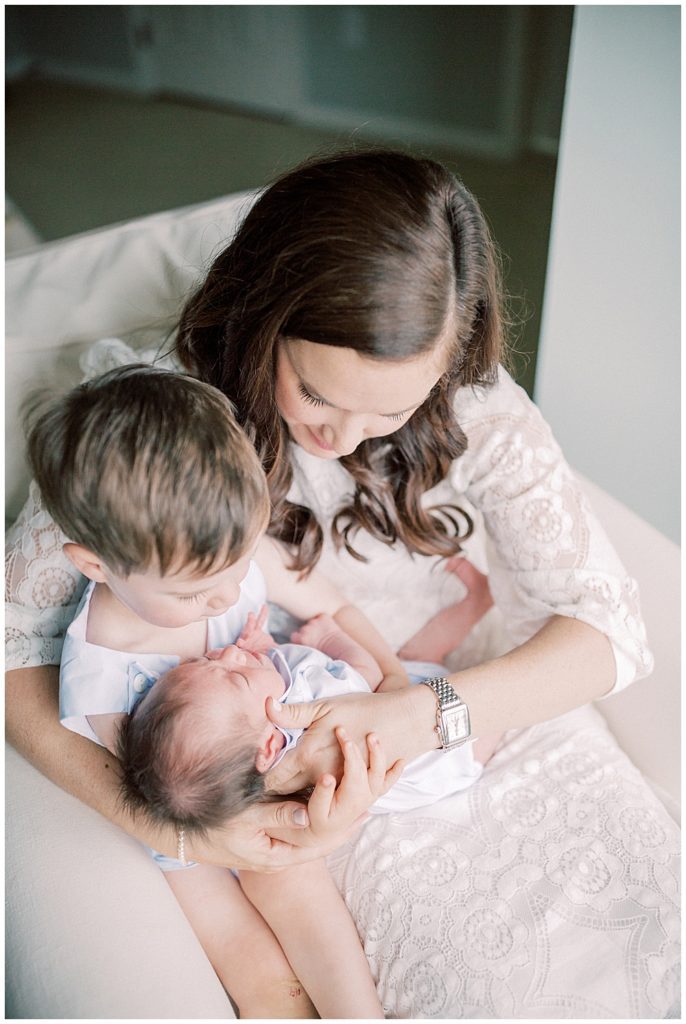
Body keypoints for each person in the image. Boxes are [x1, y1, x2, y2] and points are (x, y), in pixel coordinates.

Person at [6, 149, 654, 1011]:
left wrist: (418, 710)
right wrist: (178, 829)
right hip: (259, 760)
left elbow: (608, 629)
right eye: (316, 396)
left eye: (390, 411)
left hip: (434, 706)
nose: (348, 439)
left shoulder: (472, 405)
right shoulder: (172, 435)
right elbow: (15, 656)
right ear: (264, 318)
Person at [26, 362, 490, 1017]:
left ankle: (357, 1013)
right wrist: (228, 837)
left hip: (274, 763)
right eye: (192, 593)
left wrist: (387, 673)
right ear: (96, 566)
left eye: (237, 564)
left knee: (297, 891)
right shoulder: (101, 676)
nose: (225, 594)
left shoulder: (230, 557)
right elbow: (145, 793)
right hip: (185, 825)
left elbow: (331, 606)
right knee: (244, 951)